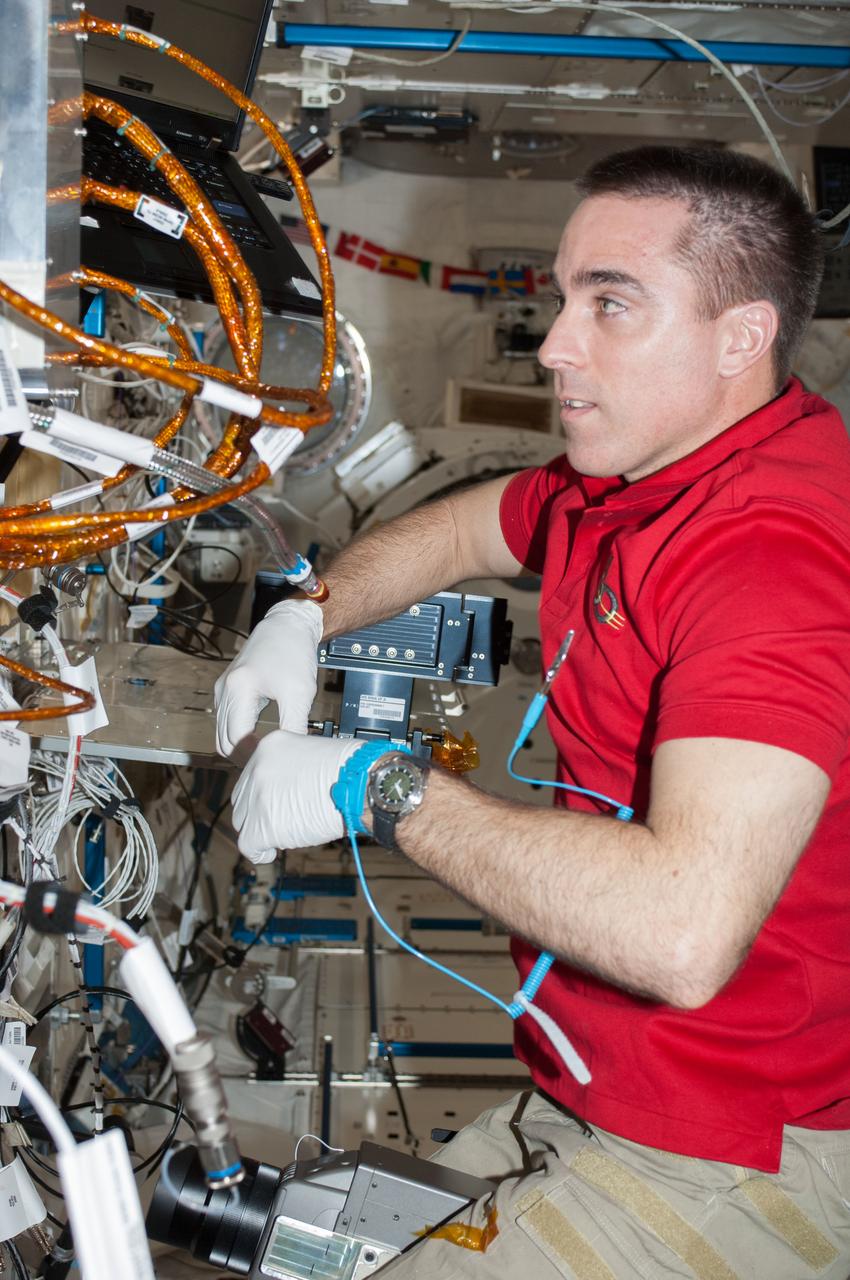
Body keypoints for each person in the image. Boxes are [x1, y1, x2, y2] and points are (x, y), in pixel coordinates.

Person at [214, 146, 850, 1277]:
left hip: (735, 1148)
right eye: (564, 298)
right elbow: (466, 528)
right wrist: (305, 614)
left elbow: (680, 931)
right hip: (605, 1090)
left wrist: (377, 781)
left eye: (611, 304)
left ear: (740, 336)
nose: (557, 344)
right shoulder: (636, 472)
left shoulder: (770, 553)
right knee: (301, 1236)